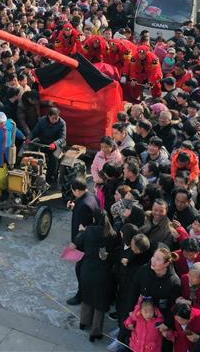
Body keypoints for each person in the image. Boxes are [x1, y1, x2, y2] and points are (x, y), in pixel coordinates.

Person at [73, 209, 118, 342]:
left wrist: (81, 231)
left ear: (94, 219)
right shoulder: (112, 234)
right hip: (103, 273)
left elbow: (77, 243)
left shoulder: (88, 231)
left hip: (87, 269)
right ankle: (95, 331)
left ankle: (84, 321)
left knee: (87, 296)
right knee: (100, 302)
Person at [66, 178, 102, 306]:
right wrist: (73, 206)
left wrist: (75, 244)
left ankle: (81, 294)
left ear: (77, 190)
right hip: (90, 241)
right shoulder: (91, 197)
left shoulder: (83, 206)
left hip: (84, 245)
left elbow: (83, 229)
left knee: (80, 270)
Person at [28, 106, 67, 186]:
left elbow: (62, 138)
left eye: (56, 118)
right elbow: (35, 132)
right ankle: (33, 174)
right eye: (53, 118)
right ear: (48, 116)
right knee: (32, 153)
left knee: (54, 158)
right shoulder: (42, 121)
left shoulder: (62, 123)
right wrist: (29, 138)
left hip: (56, 144)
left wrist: (55, 144)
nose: (55, 120)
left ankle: (51, 178)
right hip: (43, 142)